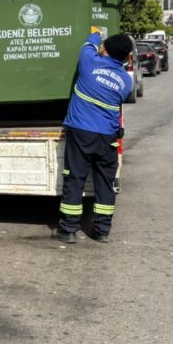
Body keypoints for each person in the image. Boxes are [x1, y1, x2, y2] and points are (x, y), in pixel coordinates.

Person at [52, 29, 133, 244]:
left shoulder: (90, 64)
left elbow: (87, 47)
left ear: (105, 50)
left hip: (81, 133)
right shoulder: (126, 81)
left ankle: (68, 229)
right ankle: (102, 230)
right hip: (107, 137)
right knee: (105, 183)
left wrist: (96, 34)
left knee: (75, 179)